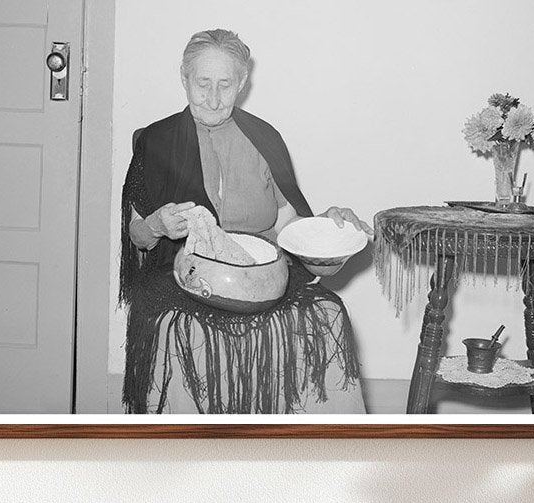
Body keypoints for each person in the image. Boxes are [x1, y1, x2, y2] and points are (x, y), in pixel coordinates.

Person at [119, 29, 372, 414]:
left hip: (261, 272)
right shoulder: (155, 140)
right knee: (182, 330)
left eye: (225, 84)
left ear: (242, 83)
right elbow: (137, 235)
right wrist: (156, 225)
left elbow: (289, 226)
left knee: (328, 312)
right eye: (203, 83)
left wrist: (326, 227)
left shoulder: (265, 137)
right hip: (184, 274)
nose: (213, 97)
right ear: (184, 78)